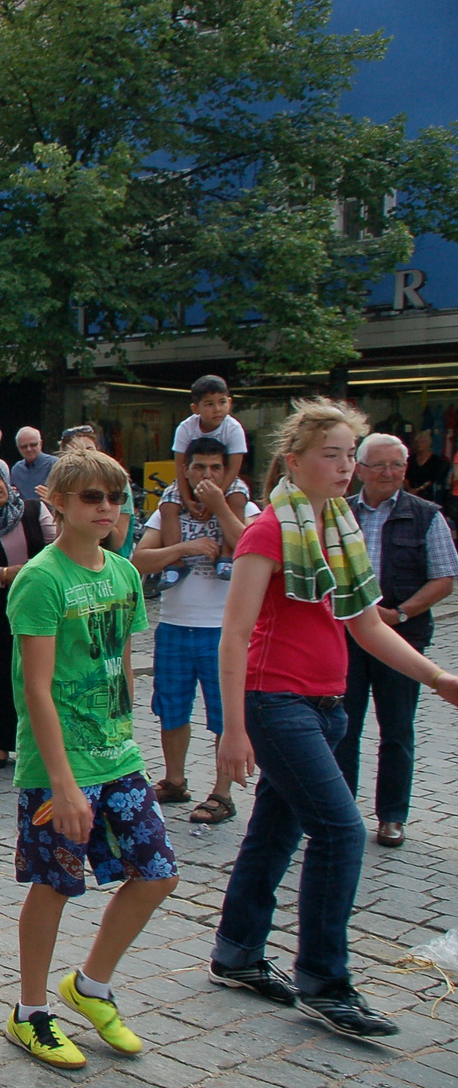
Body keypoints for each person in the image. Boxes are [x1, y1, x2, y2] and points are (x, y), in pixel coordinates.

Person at [209, 398, 458, 1039]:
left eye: (351, 454)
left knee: (274, 832)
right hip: (277, 702)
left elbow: (368, 625)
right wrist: (232, 730)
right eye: (333, 455)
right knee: (343, 831)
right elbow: (234, 635)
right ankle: (325, 981)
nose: (346, 466)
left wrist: (436, 677)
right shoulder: (270, 530)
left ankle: (237, 953)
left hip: (326, 706)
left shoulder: (341, 531)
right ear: (295, 461)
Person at [3, 448, 175, 1070]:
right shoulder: (42, 580)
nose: (106, 509)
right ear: (57, 503)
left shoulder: (124, 574)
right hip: (60, 763)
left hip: (117, 753)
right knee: (55, 885)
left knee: (158, 873)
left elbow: (121, 664)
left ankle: (91, 985)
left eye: (114, 497)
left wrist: (128, 738)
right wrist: (63, 781)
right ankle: (30, 1011)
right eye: (91, 498)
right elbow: (36, 689)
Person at [333, 433, 457, 848]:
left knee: (397, 730)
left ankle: (392, 816)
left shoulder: (426, 515)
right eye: (379, 465)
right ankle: (341, 810)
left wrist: (400, 612)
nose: (388, 473)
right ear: (361, 470)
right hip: (346, 637)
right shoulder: (338, 513)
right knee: (343, 726)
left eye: (396, 465)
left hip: (402, 636)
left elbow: (443, 578)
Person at [130, 436, 258, 824]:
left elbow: (251, 547)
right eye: (199, 467)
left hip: (222, 629)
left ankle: (222, 793)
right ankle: (174, 779)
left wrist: (219, 507)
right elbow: (140, 560)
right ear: (186, 469)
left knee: (224, 713)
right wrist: (184, 549)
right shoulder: (169, 504)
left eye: (215, 468)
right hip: (174, 625)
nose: (206, 475)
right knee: (171, 708)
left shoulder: (242, 504)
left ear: (227, 470)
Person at [0, 460, 56, 771]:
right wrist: (5, 574)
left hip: (41, 604)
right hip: (1, 610)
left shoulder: (33, 509)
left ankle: (43, 745)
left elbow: (56, 543)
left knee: (42, 675)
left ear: (7, 481)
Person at [158, 376, 249, 580]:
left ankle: (227, 555)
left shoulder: (233, 429)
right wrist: (186, 498)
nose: (217, 409)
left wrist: (218, 497)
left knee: (238, 497)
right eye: (209, 404)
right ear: (196, 408)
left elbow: (234, 466)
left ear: (230, 402)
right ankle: (174, 560)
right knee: (168, 504)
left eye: (222, 402)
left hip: (225, 478)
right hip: (190, 477)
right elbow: (180, 465)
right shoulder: (185, 428)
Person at [56, 427, 133, 555]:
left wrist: (100, 521)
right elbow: (60, 536)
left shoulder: (118, 481)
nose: (106, 506)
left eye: (115, 497)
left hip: (112, 560)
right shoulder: (63, 483)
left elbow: (118, 542)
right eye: (90, 497)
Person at [404, 429, 449, 503]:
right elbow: (405, 475)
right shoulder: (411, 459)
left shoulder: (435, 460)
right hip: (409, 492)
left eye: (422, 442)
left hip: (426, 493)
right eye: (417, 442)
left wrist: (418, 490)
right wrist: (409, 489)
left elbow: (433, 478)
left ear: (429, 443)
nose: (419, 445)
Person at [10, 427, 56, 497]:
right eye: (24, 446)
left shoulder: (54, 465)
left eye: (33, 445)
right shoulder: (16, 470)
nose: (29, 449)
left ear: (40, 444)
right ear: (18, 448)